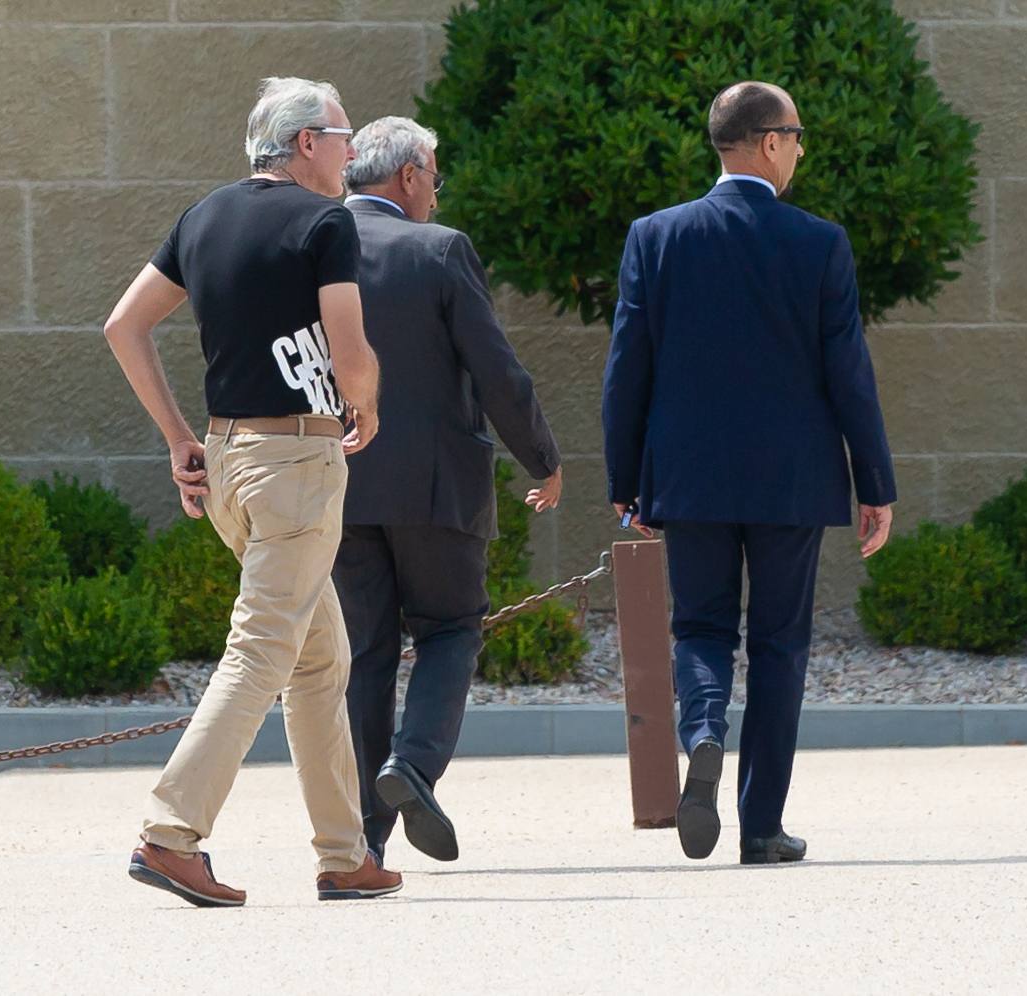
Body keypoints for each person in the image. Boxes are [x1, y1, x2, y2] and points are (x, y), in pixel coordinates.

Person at [102, 77, 399, 906]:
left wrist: (177, 439)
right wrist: (366, 401)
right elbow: (350, 350)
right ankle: (170, 835)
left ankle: (345, 854)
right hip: (298, 463)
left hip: (232, 464)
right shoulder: (326, 221)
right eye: (344, 136)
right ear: (307, 142)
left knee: (318, 656)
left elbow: (123, 325)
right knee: (263, 649)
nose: (351, 152)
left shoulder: (204, 217)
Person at [603, 80, 897, 865]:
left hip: (689, 477)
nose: (799, 151)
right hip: (791, 479)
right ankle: (761, 826)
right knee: (778, 644)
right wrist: (876, 483)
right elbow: (850, 375)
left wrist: (625, 479)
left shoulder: (655, 237)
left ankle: (702, 734)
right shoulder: (819, 242)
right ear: (768, 142)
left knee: (699, 627)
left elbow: (627, 368)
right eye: (796, 137)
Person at [334, 116, 564, 866]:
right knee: (451, 629)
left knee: (363, 655)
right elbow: (495, 368)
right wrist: (542, 457)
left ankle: (366, 836)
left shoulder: (311, 242)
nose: (436, 191)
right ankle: (414, 765)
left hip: (337, 484)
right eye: (434, 175)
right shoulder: (439, 249)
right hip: (436, 488)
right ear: (407, 177)